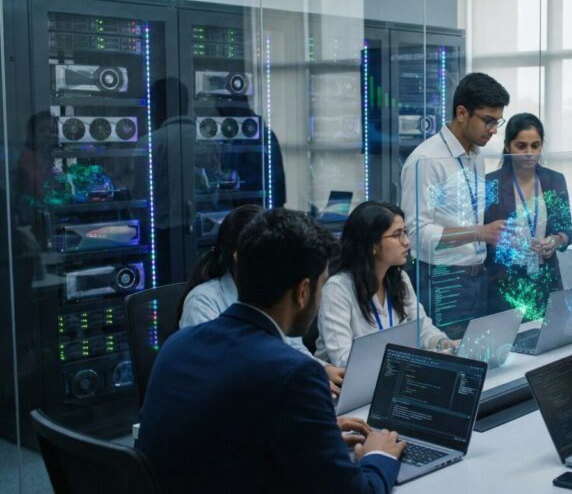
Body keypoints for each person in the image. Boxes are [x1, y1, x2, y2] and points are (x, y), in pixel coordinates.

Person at [137, 209, 405, 492]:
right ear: (303, 291)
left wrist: (311, 437)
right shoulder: (294, 375)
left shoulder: (177, 345)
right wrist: (380, 455)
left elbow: (229, 436)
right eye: (322, 285)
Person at [179, 204, 345, 390]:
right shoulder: (203, 301)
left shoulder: (273, 297)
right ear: (241, 257)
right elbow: (220, 373)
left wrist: (322, 369)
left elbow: (291, 346)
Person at [401, 72, 510, 338]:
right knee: (448, 362)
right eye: (488, 121)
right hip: (441, 279)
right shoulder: (426, 160)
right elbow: (415, 236)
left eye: (498, 122)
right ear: (462, 113)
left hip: (477, 278)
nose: (494, 130)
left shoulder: (476, 156)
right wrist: (478, 232)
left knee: (479, 360)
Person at [316, 201, 457, 365]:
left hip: (394, 376)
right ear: (372, 245)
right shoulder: (338, 289)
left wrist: (442, 343)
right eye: (397, 235)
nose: (406, 242)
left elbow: (422, 328)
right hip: (346, 386)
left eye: (405, 232)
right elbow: (343, 360)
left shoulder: (400, 279)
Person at [483, 113, 572, 319]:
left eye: (535, 146)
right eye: (521, 146)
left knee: (551, 345)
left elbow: (567, 230)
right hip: (504, 283)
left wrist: (555, 240)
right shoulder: (491, 184)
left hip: (545, 280)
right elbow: (482, 238)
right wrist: (508, 245)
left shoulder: (554, 180)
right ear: (508, 146)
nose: (529, 153)